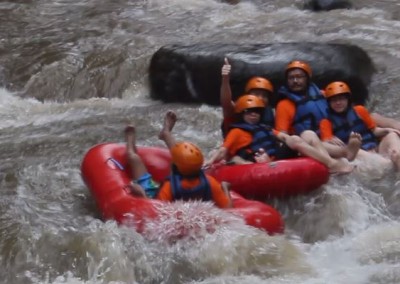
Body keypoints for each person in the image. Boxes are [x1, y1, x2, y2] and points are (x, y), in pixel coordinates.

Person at [204, 94, 355, 174]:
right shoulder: (236, 131)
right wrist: (210, 162)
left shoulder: (264, 128)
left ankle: (329, 163)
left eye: (256, 112)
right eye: (249, 112)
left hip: (276, 158)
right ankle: (332, 164)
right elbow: (224, 150)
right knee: (238, 159)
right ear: (241, 114)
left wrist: (295, 142)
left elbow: (282, 136)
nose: (253, 115)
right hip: (256, 163)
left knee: (304, 135)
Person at [125, 110, 232, 208]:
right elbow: (228, 209)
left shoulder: (170, 187)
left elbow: (156, 212)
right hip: (185, 208)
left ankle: (131, 146)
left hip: (154, 195)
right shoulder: (210, 182)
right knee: (181, 156)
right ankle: (166, 134)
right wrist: (225, 189)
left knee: (133, 157)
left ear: (174, 167)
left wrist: (141, 194)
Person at [275, 60, 361, 161]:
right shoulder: (284, 105)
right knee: (311, 137)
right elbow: (283, 136)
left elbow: (342, 113)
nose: (295, 81)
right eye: (291, 78)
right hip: (307, 142)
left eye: (299, 77)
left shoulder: (323, 94)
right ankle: (345, 153)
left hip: (331, 136)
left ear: (307, 78)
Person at [320, 81, 400, 170]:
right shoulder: (326, 122)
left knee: (392, 135)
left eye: (341, 99)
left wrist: (387, 130)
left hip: (376, 147)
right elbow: (327, 144)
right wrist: (330, 139)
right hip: (358, 155)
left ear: (348, 100)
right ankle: (389, 164)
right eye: (334, 100)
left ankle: (396, 157)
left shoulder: (360, 110)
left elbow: (374, 131)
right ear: (329, 103)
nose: (338, 103)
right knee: (356, 149)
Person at [220, 57, 275, 137]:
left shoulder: (268, 113)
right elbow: (226, 103)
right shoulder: (239, 109)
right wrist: (225, 79)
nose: (260, 98)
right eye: (256, 94)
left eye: (264, 96)